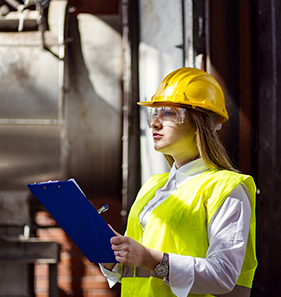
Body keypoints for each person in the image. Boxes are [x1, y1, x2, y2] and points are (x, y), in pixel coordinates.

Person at [100, 67, 257, 297]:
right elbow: (137, 272)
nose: (155, 123)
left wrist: (149, 258)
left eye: (169, 113)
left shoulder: (227, 188)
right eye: (154, 114)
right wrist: (110, 254)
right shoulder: (153, 187)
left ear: (200, 123)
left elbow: (224, 276)